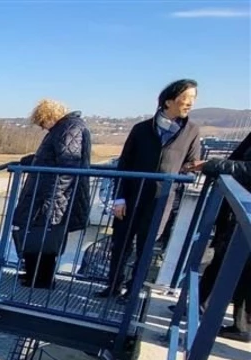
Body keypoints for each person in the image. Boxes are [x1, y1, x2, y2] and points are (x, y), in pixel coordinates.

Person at [98, 79, 201, 299]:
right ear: (168, 101)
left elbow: (191, 164)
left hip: (161, 200)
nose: (190, 103)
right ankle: (113, 286)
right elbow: (124, 164)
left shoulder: (192, 131)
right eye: (186, 97)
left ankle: (132, 292)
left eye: (194, 98)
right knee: (120, 244)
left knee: (146, 248)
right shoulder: (141, 129)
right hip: (132, 196)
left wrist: (186, 172)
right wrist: (119, 199)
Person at [11, 99, 92, 289]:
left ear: (49, 116)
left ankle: (40, 280)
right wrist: (32, 160)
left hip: (52, 196)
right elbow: (54, 158)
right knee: (39, 235)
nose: (42, 128)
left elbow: (68, 166)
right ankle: (34, 276)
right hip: (49, 194)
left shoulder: (69, 128)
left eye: (41, 123)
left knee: (44, 237)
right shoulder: (66, 128)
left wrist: (53, 196)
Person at [187, 131, 251, 342]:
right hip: (239, 210)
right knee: (225, 262)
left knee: (237, 267)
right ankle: (200, 305)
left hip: (244, 213)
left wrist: (212, 165)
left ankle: (240, 325)